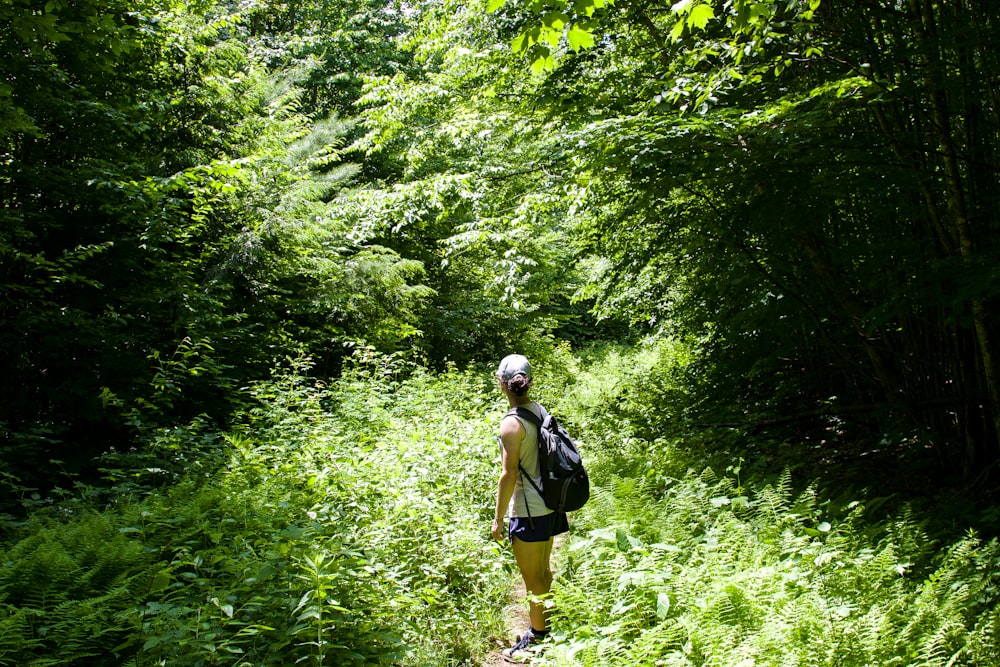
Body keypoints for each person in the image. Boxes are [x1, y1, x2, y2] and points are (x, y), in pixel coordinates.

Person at [491, 354, 569, 660]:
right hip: (549, 505)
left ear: (501, 384)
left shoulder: (511, 424)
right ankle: (545, 625)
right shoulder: (538, 411)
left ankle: (538, 638)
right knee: (543, 572)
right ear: (528, 382)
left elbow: (508, 475)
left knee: (532, 578)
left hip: (527, 509)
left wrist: (498, 519)